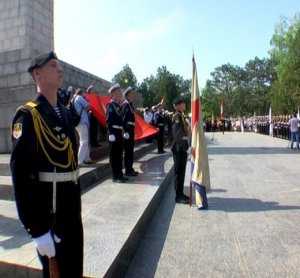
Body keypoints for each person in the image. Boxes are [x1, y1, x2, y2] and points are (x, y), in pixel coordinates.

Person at [10, 51, 83, 277]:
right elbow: (20, 175)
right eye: (53, 66)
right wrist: (37, 230)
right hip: (50, 214)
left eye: (59, 66)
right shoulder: (27, 116)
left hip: (71, 208)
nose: (60, 70)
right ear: (37, 74)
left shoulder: (64, 113)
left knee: (74, 271)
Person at [106, 83, 128, 183]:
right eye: (118, 92)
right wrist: (110, 133)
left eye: (120, 91)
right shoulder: (110, 105)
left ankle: (120, 174)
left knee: (119, 155)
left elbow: (121, 119)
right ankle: (115, 176)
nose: (120, 93)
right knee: (114, 155)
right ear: (113, 94)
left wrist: (123, 130)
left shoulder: (118, 105)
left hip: (119, 132)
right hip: (113, 133)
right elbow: (108, 120)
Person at [171, 98, 190, 204]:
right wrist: (185, 141)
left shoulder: (182, 116)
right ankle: (178, 196)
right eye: (183, 104)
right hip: (178, 148)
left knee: (182, 172)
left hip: (182, 148)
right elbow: (177, 134)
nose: (184, 105)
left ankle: (181, 193)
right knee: (178, 172)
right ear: (178, 105)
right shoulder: (177, 116)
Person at [73, 88, 94, 164]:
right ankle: (79, 161)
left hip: (77, 123)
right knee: (84, 142)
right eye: (83, 94)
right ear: (81, 93)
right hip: (82, 122)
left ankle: (87, 158)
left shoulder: (73, 98)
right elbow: (88, 106)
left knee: (84, 140)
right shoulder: (79, 97)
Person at [122, 86, 139, 176]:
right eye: (131, 94)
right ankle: (128, 170)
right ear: (127, 95)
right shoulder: (125, 105)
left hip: (131, 130)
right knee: (128, 151)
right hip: (127, 131)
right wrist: (125, 131)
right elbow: (123, 119)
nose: (133, 96)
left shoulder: (130, 105)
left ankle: (130, 168)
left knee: (130, 151)